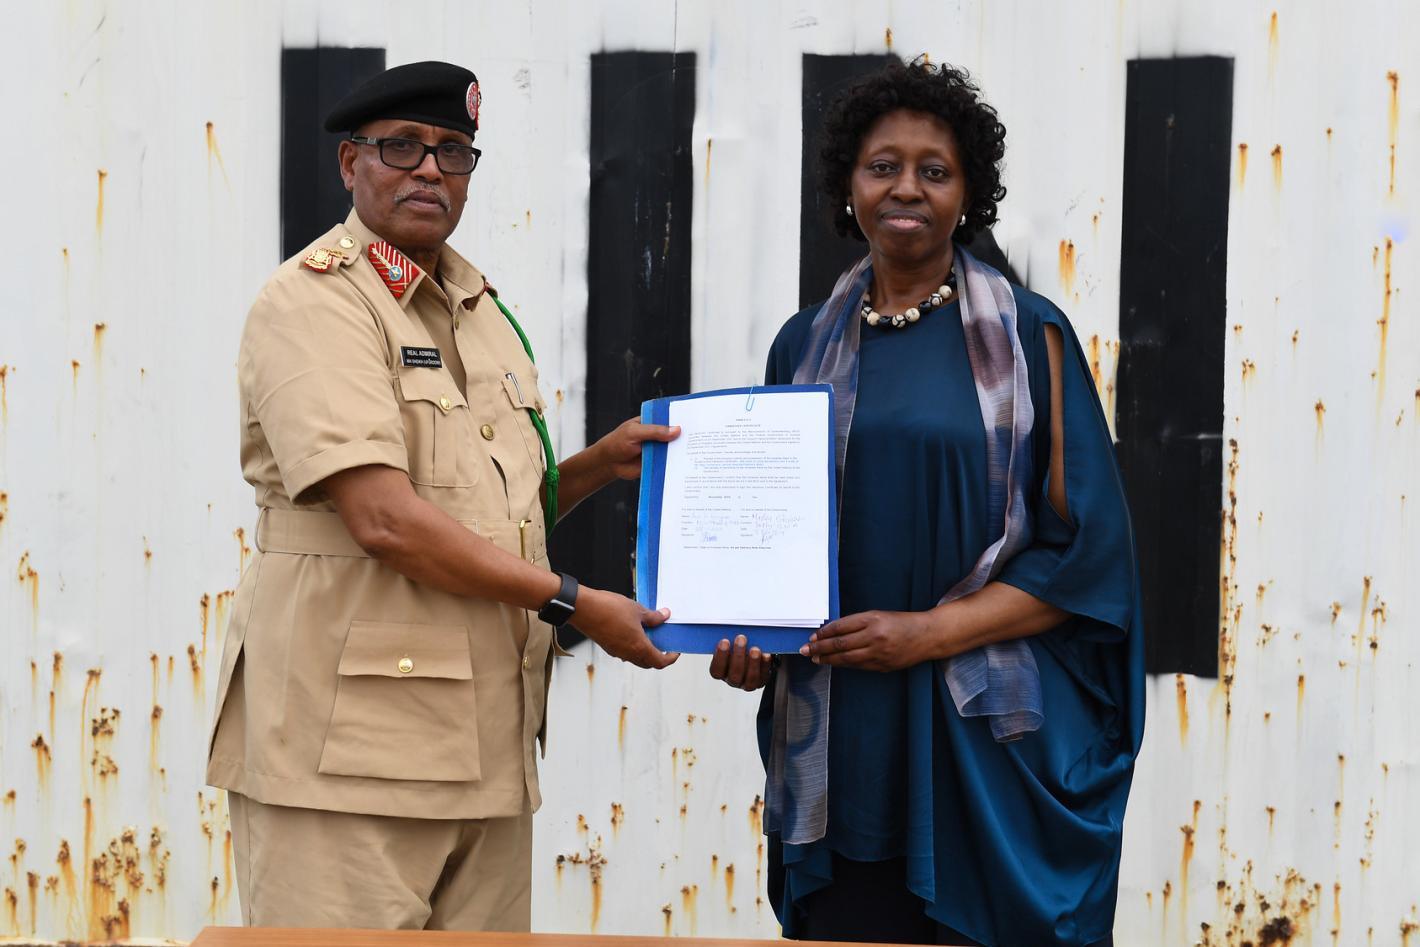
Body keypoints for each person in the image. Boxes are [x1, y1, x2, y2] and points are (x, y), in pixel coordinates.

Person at [206, 60, 679, 932]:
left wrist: (595, 466)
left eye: (452, 151)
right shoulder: (316, 303)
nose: (430, 169)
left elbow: (485, 514)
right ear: (350, 163)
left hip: (484, 750)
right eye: (403, 147)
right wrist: (574, 602)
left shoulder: (477, 309)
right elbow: (384, 520)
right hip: (346, 758)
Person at [710, 60, 1144, 946]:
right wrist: (750, 637)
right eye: (883, 166)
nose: (906, 187)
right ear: (849, 185)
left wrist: (929, 633)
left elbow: (1086, 556)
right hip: (848, 737)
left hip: (986, 741)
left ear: (967, 193)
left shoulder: (1029, 336)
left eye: (934, 170)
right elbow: (769, 542)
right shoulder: (802, 345)